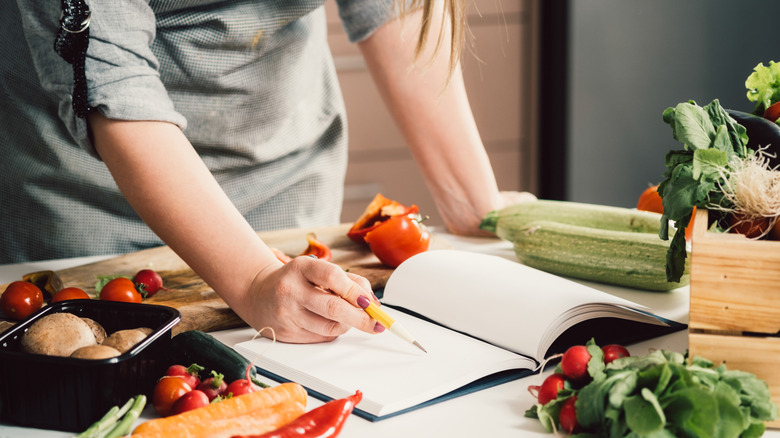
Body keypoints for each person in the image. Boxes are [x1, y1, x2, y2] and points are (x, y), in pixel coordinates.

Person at [1, 0, 535, 343]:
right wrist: (254, 279)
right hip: (86, 194)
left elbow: (399, 7)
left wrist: (473, 200)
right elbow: (114, 84)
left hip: (285, 174)